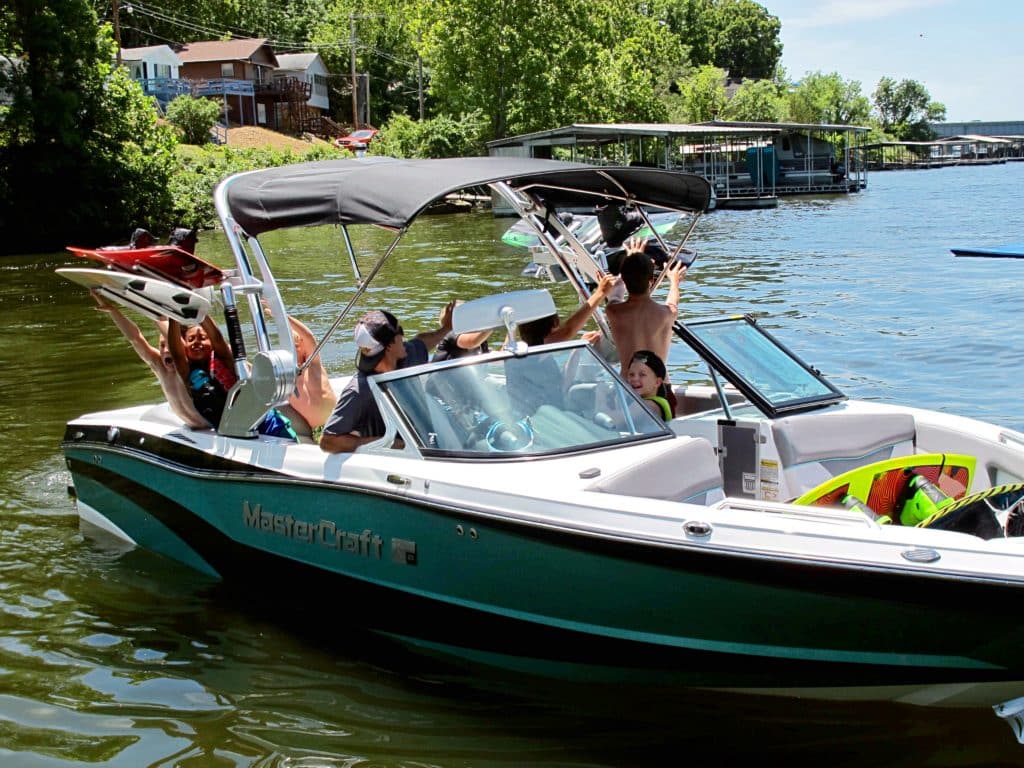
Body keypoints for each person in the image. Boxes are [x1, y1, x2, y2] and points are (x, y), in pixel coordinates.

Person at [320, 303, 454, 454]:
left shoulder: (405, 358)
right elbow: (328, 441)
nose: (404, 338)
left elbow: (423, 342)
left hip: (429, 448)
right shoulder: (359, 390)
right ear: (389, 345)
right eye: (400, 332)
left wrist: (446, 328)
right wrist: (388, 442)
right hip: (396, 461)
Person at [90, 291, 209, 429]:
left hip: (211, 428)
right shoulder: (159, 365)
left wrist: (154, 309)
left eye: (169, 345)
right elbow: (135, 339)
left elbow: (177, 346)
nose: (165, 351)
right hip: (192, 429)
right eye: (161, 345)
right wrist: (113, 311)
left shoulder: (187, 366)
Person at [605, 235, 686, 378]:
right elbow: (673, 301)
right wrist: (674, 282)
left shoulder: (614, 311)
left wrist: (631, 257)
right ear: (651, 280)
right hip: (658, 387)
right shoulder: (666, 314)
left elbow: (617, 290)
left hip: (629, 387)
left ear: (623, 277)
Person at [167, 315, 239, 429]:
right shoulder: (187, 373)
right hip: (229, 431)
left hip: (262, 421)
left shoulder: (225, 359)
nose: (196, 342)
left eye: (202, 338)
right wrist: (173, 316)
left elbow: (217, 338)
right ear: (185, 347)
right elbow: (176, 354)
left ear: (212, 344)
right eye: (190, 339)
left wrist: (200, 310)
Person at [627, 349, 673, 421]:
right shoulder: (640, 401)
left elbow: (615, 421)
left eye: (642, 374)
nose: (634, 379)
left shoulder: (649, 405)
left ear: (657, 382)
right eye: (631, 374)